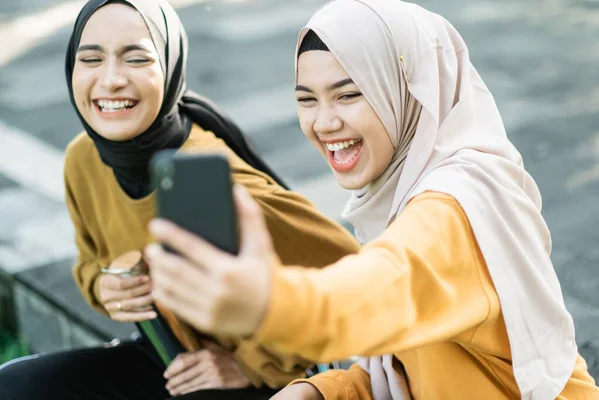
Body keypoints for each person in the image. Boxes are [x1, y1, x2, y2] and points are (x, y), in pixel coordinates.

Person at [145, 0, 599, 399]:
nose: (323, 123)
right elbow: (413, 369)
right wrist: (320, 391)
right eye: (308, 100)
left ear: (407, 92)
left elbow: (377, 292)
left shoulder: (459, 207)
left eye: (348, 95)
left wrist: (268, 302)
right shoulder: (400, 192)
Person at [0, 0, 360, 399]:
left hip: (259, 379)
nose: (111, 79)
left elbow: (354, 282)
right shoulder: (83, 159)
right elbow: (90, 260)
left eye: (136, 58)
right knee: (16, 386)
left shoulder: (221, 184)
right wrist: (103, 287)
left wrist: (250, 363)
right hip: (168, 357)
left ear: (170, 68)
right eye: (91, 59)